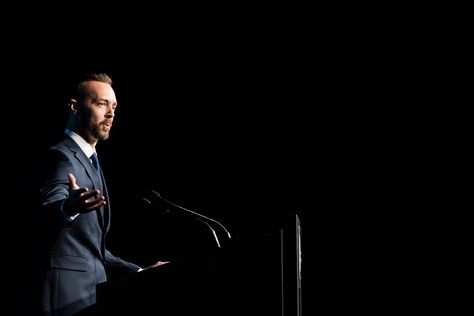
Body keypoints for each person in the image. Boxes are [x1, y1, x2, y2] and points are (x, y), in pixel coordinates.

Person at [24, 72, 167, 316]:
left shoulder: (91, 161)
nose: (111, 113)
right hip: (66, 296)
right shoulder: (61, 156)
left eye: (114, 106)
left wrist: (139, 272)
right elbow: (46, 208)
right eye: (101, 104)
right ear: (75, 107)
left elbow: (91, 248)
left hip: (92, 295)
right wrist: (66, 208)